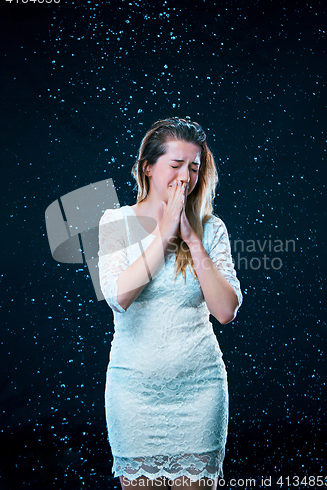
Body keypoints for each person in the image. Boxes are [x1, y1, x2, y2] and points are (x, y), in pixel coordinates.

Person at [98, 117, 242, 490]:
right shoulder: (115, 222)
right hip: (134, 394)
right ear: (148, 167)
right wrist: (163, 234)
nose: (185, 177)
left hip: (200, 391)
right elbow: (119, 297)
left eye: (193, 167)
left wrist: (192, 238)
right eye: (175, 165)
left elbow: (225, 311)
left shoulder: (212, 229)